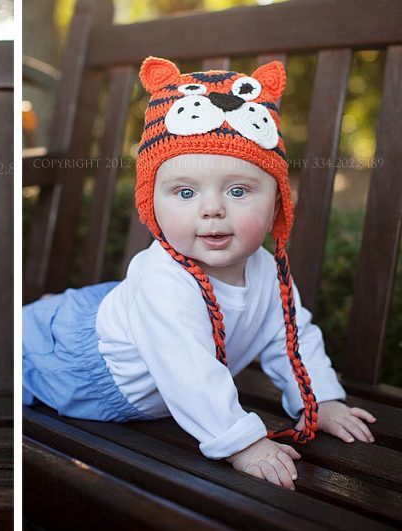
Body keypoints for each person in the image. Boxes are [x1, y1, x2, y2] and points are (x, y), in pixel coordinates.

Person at [22, 57, 376, 490]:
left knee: (101, 307)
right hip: (86, 367)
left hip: (130, 315)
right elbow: (190, 375)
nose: (212, 208)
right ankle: (43, 319)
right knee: (29, 347)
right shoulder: (161, 282)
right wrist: (242, 443)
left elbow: (292, 336)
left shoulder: (268, 273)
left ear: (277, 205)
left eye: (238, 190)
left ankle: (56, 309)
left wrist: (320, 399)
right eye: (186, 192)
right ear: (153, 202)